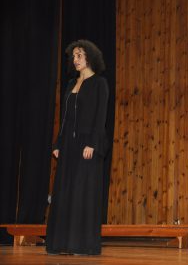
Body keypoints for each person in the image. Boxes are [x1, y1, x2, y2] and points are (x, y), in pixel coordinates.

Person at [46, 39, 109, 255]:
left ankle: (83, 244)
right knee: (65, 192)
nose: (75, 59)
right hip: (69, 145)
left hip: (87, 143)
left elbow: (100, 116)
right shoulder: (70, 84)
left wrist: (92, 142)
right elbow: (64, 118)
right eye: (73, 56)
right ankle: (62, 242)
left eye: (79, 55)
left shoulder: (100, 83)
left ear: (89, 57)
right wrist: (58, 143)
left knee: (83, 193)